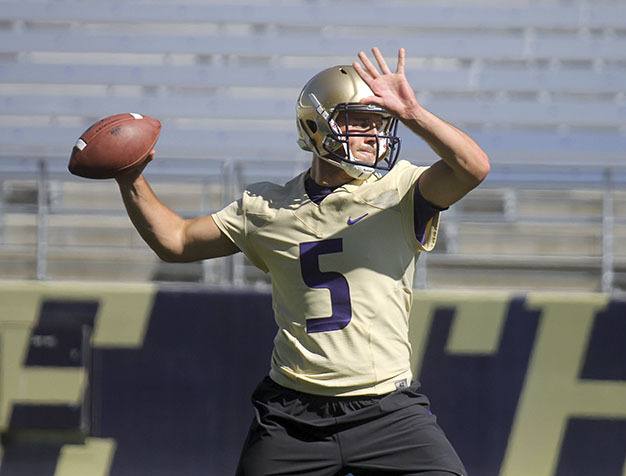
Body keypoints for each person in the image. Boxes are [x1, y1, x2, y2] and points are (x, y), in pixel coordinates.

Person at [116, 47, 489, 476]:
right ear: (316, 126)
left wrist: (413, 112)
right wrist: (130, 178)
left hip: (387, 409)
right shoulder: (265, 207)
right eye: (359, 121)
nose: (374, 135)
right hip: (293, 414)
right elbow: (176, 242)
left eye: (380, 123)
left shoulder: (402, 190)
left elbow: (472, 168)